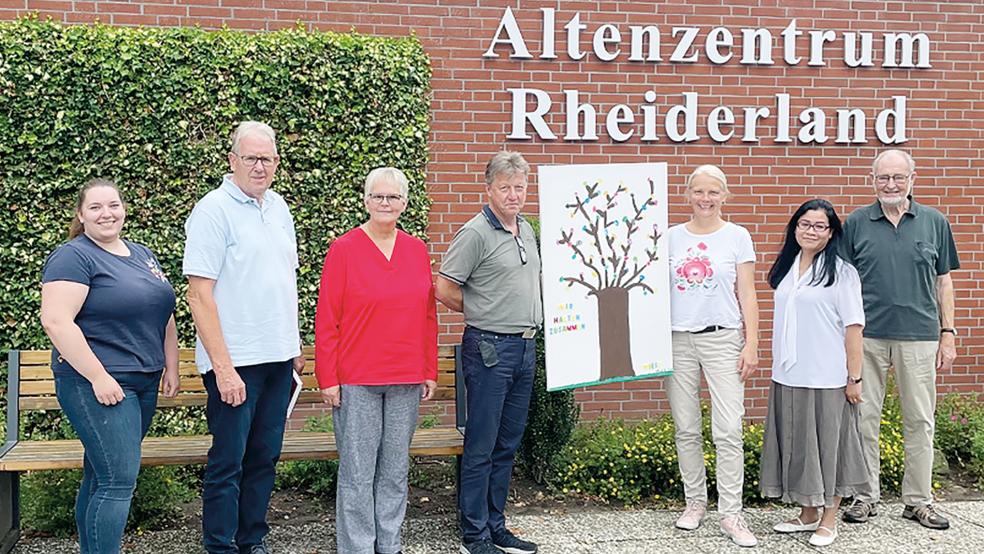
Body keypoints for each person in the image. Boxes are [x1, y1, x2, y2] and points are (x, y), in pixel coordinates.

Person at [183, 121, 306, 554]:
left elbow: (283, 281)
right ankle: (220, 546)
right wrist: (223, 369)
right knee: (227, 464)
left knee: (264, 459)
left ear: (276, 164)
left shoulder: (279, 208)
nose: (259, 166)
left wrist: (293, 347)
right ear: (232, 160)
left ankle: (252, 541)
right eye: (251, 158)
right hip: (235, 364)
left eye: (267, 159)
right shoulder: (212, 210)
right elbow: (199, 295)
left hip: (277, 360)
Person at [40, 178, 179, 554]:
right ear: (81, 215)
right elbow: (56, 320)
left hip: (143, 380)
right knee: (118, 481)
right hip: (97, 384)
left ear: (124, 209)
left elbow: (164, 310)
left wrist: (172, 365)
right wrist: (98, 376)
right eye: (96, 207)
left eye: (113, 205)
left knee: (100, 477)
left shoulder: (141, 253)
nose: (107, 213)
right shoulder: (74, 256)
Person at [314, 167, 439, 554]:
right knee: (357, 472)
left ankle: (390, 543)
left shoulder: (416, 250)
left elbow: (428, 316)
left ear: (404, 203)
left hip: (405, 376)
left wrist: (429, 369)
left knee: (395, 470)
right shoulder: (344, 249)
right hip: (356, 378)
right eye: (378, 196)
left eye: (393, 197)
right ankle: (357, 547)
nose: (386, 203)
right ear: (366, 201)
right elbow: (327, 316)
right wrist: (328, 378)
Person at [840, 149, 960, 530]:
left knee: (920, 421)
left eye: (898, 177)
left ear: (912, 178)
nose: (890, 184)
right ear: (872, 179)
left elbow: (944, 282)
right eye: (883, 178)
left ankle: (918, 501)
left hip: (920, 336)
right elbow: (842, 285)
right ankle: (865, 496)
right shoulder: (856, 223)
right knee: (863, 419)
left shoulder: (934, 222)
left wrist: (949, 334)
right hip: (867, 336)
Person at [436, 151, 542, 554]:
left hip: (525, 347)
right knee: (481, 445)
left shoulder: (526, 229)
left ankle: (496, 526)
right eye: (505, 187)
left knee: (506, 443)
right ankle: (474, 535)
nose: (513, 195)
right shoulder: (476, 232)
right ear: (489, 188)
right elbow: (445, 287)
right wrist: (482, 310)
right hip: (489, 350)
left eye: (519, 187)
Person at [759, 199, 870, 547]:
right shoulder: (789, 266)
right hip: (789, 373)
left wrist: (855, 378)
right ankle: (807, 513)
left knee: (829, 448)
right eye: (805, 224)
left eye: (819, 226)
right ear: (795, 228)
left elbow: (854, 329)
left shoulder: (842, 273)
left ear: (831, 232)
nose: (811, 231)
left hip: (827, 377)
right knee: (798, 445)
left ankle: (829, 518)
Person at [665, 165, 760, 547]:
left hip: (723, 340)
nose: (706, 199)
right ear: (687, 195)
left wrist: (752, 343)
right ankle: (694, 503)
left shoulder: (737, 236)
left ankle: (731, 513)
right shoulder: (669, 238)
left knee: (728, 429)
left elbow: (748, 292)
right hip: (677, 339)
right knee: (686, 427)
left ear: (724, 196)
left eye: (713, 193)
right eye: (699, 192)